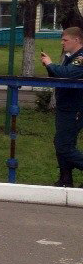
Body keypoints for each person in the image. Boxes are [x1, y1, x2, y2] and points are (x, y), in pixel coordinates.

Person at [41, 27, 83, 187]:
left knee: (64, 146)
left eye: (65, 40)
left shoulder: (81, 57)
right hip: (66, 107)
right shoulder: (70, 57)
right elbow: (62, 74)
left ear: (77, 40)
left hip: (75, 108)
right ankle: (66, 179)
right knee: (63, 144)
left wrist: (51, 64)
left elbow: (70, 74)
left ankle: (66, 179)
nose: (62, 43)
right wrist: (50, 67)